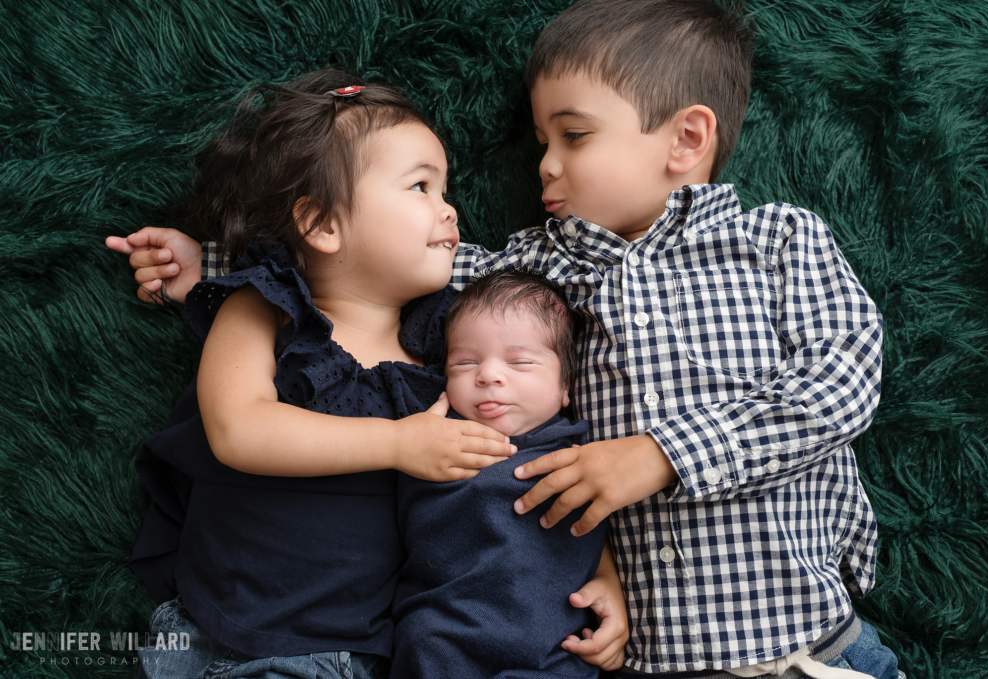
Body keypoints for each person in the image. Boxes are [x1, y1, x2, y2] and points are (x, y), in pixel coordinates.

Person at [112, 0, 905, 676]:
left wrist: (661, 454)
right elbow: (373, 259)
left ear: (685, 141)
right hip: (646, 652)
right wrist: (210, 258)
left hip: (808, 635)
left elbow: (842, 381)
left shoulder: (776, 242)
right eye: (539, 144)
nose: (547, 168)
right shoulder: (535, 265)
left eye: (573, 136)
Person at [124, 68, 626, 679]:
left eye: (446, 191)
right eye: (421, 187)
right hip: (238, 634)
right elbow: (238, 428)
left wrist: (597, 574)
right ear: (323, 225)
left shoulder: (451, 349)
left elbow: (519, 481)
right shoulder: (263, 307)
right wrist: (397, 443)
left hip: (375, 653)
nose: (449, 211)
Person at [392, 269, 612, 678]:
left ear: (566, 385)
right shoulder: (430, 440)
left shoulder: (577, 457)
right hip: (441, 641)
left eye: (520, 362)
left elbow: (592, 529)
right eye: (465, 362)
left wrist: (606, 577)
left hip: (551, 649)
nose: (489, 375)